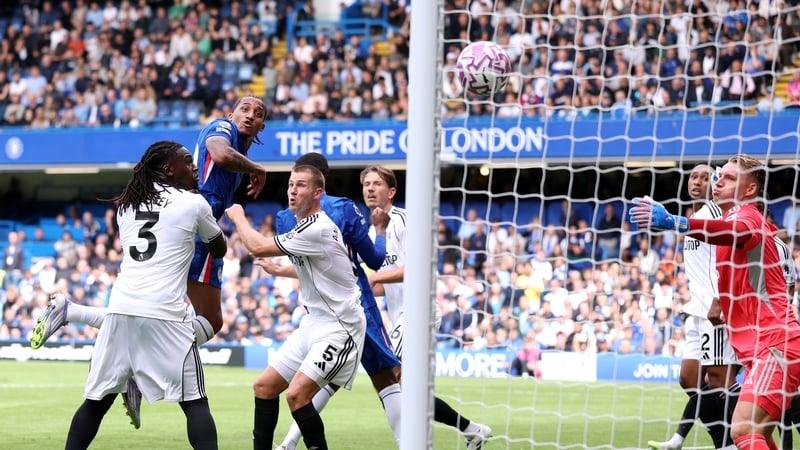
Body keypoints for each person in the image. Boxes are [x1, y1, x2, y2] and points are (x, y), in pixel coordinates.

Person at [30, 95, 269, 426]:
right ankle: (137, 369)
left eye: (257, 114)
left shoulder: (132, 208)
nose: (249, 115)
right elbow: (219, 153)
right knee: (210, 320)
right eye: (244, 108)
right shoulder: (221, 127)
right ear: (231, 113)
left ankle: (74, 313)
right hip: (199, 231)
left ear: (261, 126)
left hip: (188, 231)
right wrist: (258, 169)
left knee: (162, 312)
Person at [63, 140, 226, 449]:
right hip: (165, 313)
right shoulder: (193, 203)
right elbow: (219, 248)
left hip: (120, 309)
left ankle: (128, 368)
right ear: (168, 170)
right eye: (187, 161)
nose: (194, 167)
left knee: (96, 403)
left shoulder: (126, 205)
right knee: (195, 402)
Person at [631, 154, 800, 450]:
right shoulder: (728, 220)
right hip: (761, 348)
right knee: (759, 434)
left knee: (743, 430)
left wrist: (676, 222)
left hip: (776, 345)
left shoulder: (746, 217)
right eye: (721, 175)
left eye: (731, 178)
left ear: (750, 190)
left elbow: (733, 232)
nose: (719, 180)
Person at [262, 153, 403, 449]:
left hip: (315, 308)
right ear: (324, 180)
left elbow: (306, 263)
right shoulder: (343, 207)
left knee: (320, 380)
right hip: (353, 304)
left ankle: (287, 443)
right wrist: (378, 231)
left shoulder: (285, 217)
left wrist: (279, 269)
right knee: (388, 378)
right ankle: (414, 442)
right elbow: (375, 261)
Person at [225, 164, 371, 450]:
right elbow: (322, 269)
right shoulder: (305, 228)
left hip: (340, 328)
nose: (293, 190)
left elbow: (256, 246)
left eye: (301, 185)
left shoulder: (317, 227)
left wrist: (239, 217)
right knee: (264, 387)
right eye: (291, 184)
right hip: (314, 323)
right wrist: (281, 271)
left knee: (297, 396)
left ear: (318, 193)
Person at [360, 165, 492, 449]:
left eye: (376, 184)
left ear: (391, 191)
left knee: (389, 376)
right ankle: (473, 429)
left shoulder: (403, 220)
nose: (370, 189)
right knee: (410, 390)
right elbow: (384, 284)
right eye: (366, 184)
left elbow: (416, 267)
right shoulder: (372, 233)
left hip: (418, 311)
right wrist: (366, 288)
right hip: (400, 314)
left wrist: (374, 277)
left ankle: (414, 444)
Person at [647, 164, 740, 450]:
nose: (697, 182)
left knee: (720, 382)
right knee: (689, 379)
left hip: (715, 311)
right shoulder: (695, 217)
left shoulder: (714, 213)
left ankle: (746, 436)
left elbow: (728, 257)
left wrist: (719, 299)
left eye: (704, 177)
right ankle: (722, 441)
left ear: (714, 183)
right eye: (693, 177)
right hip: (696, 311)